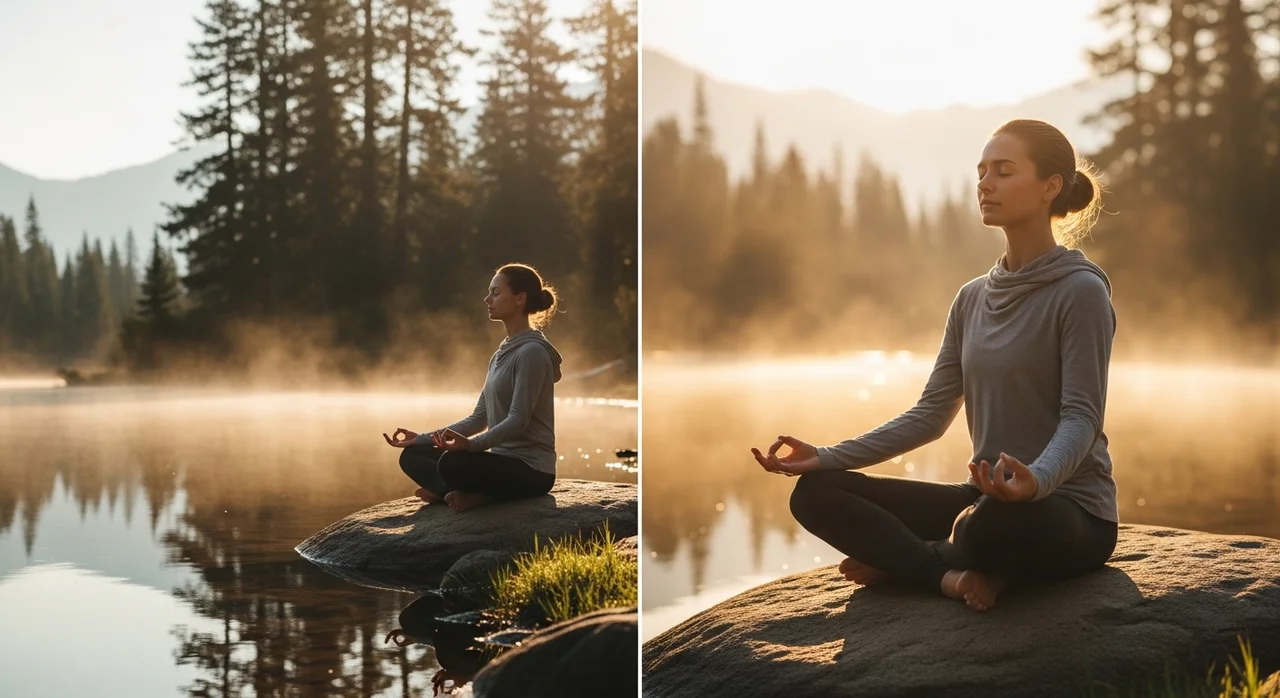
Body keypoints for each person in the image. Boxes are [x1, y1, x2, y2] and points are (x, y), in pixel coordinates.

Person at [752, 118, 1118, 613]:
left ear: (1050, 186)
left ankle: (913, 561)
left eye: (1004, 171)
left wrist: (1035, 480)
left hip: (1065, 509)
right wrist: (826, 456)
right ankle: (948, 576)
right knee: (815, 494)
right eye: (982, 171)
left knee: (987, 524)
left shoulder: (1081, 292)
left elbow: (1081, 418)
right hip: (983, 497)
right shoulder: (972, 299)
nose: (985, 184)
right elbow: (929, 415)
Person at [385, 263, 563, 513]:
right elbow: (479, 418)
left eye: (496, 292)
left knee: (452, 464)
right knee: (413, 455)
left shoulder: (532, 353)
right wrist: (421, 438)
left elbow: (518, 420)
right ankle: (456, 493)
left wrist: (471, 446)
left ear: (519, 299)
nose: (487, 298)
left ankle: (475, 496)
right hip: (499, 465)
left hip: (531, 471)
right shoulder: (500, 355)